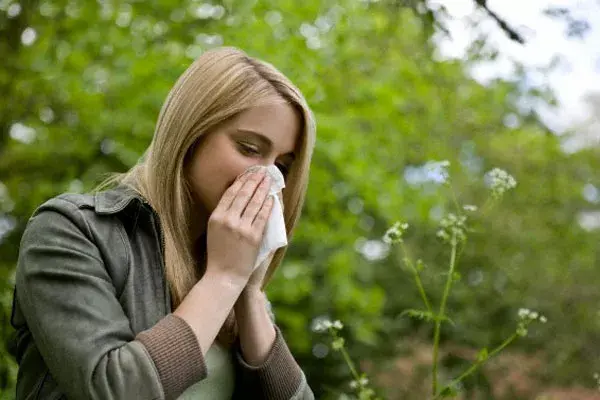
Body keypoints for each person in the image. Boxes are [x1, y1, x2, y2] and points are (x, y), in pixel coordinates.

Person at [10, 46, 316, 400]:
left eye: (282, 166)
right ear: (191, 134)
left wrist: (249, 293)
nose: (267, 179)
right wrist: (224, 278)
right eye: (249, 148)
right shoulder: (71, 232)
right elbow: (117, 391)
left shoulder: (227, 266)